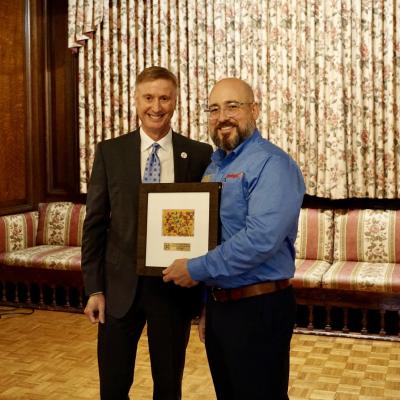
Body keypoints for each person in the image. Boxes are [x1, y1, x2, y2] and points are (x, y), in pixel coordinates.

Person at [163, 77, 305, 400]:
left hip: (260, 307)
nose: (222, 116)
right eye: (214, 109)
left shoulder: (273, 165)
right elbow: (210, 236)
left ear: (254, 110)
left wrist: (195, 269)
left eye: (232, 106)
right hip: (221, 307)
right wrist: (205, 306)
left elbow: (259, 240)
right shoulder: (213, 168)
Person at [81, 66, 213, 400]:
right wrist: (94, 289)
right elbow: (95, 224)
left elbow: (208, 227)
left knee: (168, 388)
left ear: (176, 101)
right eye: (149, 97)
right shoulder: (110, 152)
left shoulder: (198, 155)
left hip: (173, 289)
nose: (156, 106)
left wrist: (204, 297)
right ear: (136, 100)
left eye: (164, 98)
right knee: (112, 386)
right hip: (117, 290)